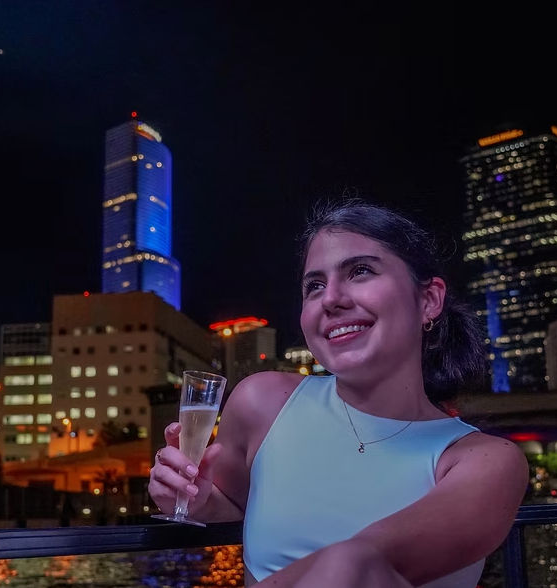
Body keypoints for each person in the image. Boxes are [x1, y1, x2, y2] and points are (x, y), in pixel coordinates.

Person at [149, 198, 529, 587]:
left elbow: (359, 565)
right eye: (314, 286)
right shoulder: (261, 402)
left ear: (428, 300)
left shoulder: (485, 461)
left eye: (360, 271)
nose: (330, 299)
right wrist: (193, 500)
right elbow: (234, 508)